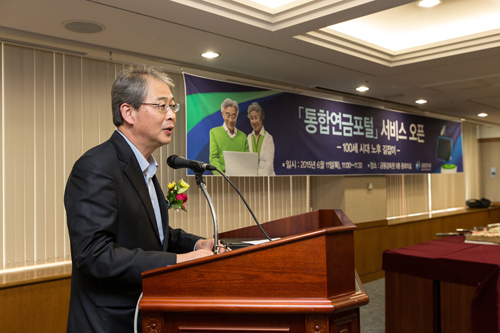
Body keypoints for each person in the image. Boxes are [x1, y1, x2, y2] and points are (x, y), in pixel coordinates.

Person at [64, 65, 227, 333]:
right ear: (128, 112)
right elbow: (94, 255)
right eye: (162, 106)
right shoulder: (97, 166)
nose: (172, 115)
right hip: (109, 322)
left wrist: (199, 243)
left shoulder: (145, 168)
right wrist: (177, 262)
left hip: (144, 314)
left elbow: (155, 234)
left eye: (173, 106)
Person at [209, 98, 248, 174]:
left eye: (233, 116)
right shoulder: (214, 132)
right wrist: (222, 176)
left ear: (237, 116)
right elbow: (214, 158)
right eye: (228, 115)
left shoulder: (243, 136)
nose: (230, 120)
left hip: (241, 177)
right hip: (223, 178)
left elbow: (247, 161)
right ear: (222, 114)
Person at [247, 102, 275, 176]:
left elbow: (268, 163)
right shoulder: (248, 138)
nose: (254, 121)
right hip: (252, 179)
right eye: (251, 118)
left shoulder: (268, 138)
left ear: (261, 118)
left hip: (267, 179)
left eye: (256, 118)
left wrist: (262, 180)